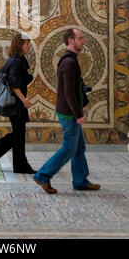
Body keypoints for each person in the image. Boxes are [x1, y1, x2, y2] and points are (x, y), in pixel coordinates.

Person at [33, 28, 101, 194]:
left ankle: (80, 180)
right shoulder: (69, 62)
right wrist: (78, 114)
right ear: (71, 40)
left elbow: (70, 87)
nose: (83, 41)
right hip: (69, 113)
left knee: (78, 147)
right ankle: (43, 175)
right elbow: (69, 92)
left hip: (67, 111)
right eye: (80, 38)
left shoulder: (69, 60)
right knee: (69, 147)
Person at [0, 33, 36, 174]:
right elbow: (13, 84)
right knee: (19, 135)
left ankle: (15, 163)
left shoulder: (13, 60)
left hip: (14, 103)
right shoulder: (17, 62)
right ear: (20, 45)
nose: (29, 46)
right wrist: (24, 100)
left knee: (18, 134)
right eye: (26, 43)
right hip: (16, 104)